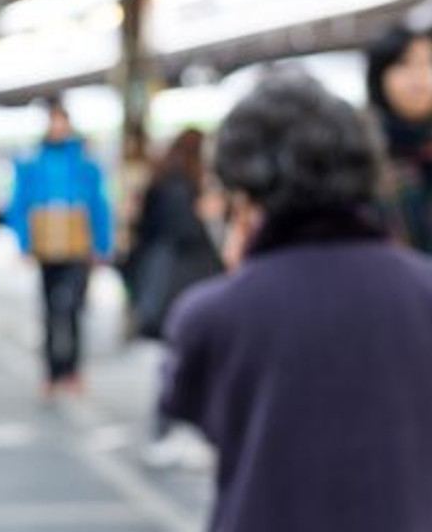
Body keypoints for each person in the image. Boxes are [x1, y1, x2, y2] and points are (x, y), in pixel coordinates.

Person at [158, 74, 432, 531]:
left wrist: (242, 272)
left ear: (243, 193)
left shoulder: (212, 313)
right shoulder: (423, 290)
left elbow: (191, 405)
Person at [7, 99, 112, 397]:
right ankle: (52, 372)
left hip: (78, 249)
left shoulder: (85, 164)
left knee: (74, 308)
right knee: (51, 309)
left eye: (61, 122)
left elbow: (98, 205)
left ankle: (73, 369)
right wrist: (25, 241)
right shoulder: (33, 163)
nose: (57, 128)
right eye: (53, 122)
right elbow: (19, 204)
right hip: (47, 250)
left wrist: (102, 244)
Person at [124, 129, 222, 340]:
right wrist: (203, 213)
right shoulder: (181, 185)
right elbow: (185, 230)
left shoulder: (163, 177)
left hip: (158, 266)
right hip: (180, 274)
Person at [366, 25, 432, 253]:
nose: (419, 76)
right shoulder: (364, 151)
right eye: (403, 63)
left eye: (427, 63)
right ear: (379, 74)